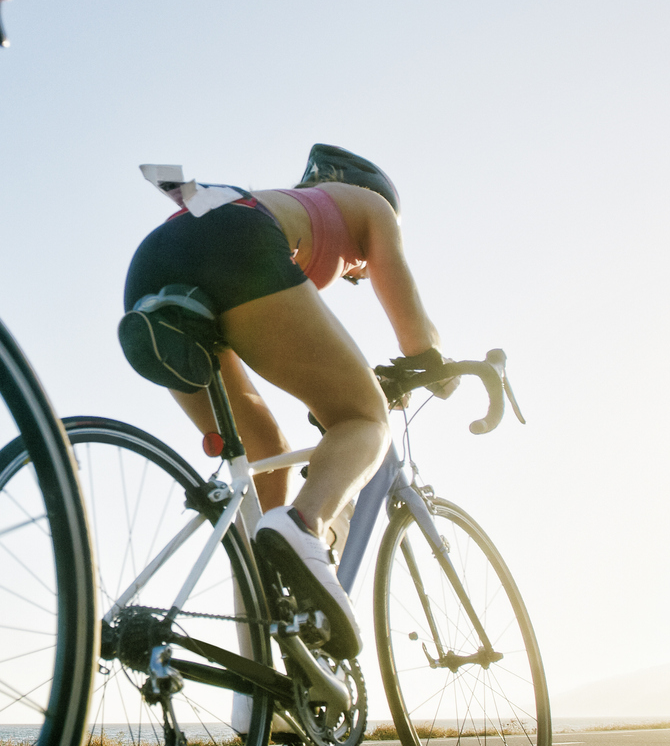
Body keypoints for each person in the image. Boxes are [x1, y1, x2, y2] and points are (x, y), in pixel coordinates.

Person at [121, 144, 449, 663]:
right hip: (235, 244)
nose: (355, 273)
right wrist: (435, 363)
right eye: (357, 272)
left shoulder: (287, 205)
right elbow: (412, 326)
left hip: (152, 265)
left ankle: (273, 646)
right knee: (364, 418)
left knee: (263, 455)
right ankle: (304, 525)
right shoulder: (371, 208)